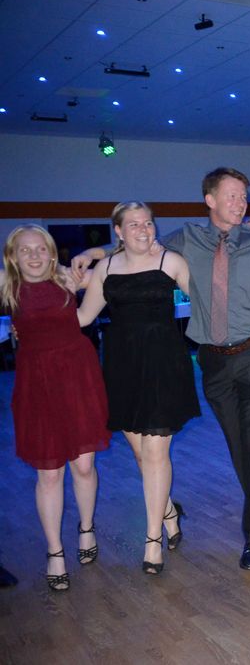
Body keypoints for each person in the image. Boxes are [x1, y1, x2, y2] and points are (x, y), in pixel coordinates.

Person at [73, 167, 250, 571]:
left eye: (244, 196)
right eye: (231, 195)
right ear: (209, 200)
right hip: (212, 360)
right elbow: (139, 249)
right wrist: (95, 253)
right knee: (238, 446)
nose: (240, 203)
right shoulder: (185, 241)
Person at [76, 201, 198, 575]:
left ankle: (152, 540)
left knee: (156, 453)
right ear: (118, 231)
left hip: (163, 364)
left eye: (148, 223)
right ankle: (169, 512)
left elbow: (207, 300)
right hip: (122, 367)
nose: (144, 229)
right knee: (142, 456)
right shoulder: (106, 268)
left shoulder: (171, 261)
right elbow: (83, 317)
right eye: (134, 224)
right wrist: (37, 317)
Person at [2, 225, 111, 591]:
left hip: (78, 377)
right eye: (25, 250)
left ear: (51, 252)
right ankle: (54, 551)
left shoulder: (68, 278)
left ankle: (86, 528)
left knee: (84, 466)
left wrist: (91, 254)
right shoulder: (8, 285)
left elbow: (122, 258)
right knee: (49, 473)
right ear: (13, 257)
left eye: (40, 248)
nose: (34, 255)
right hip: (37, 384)